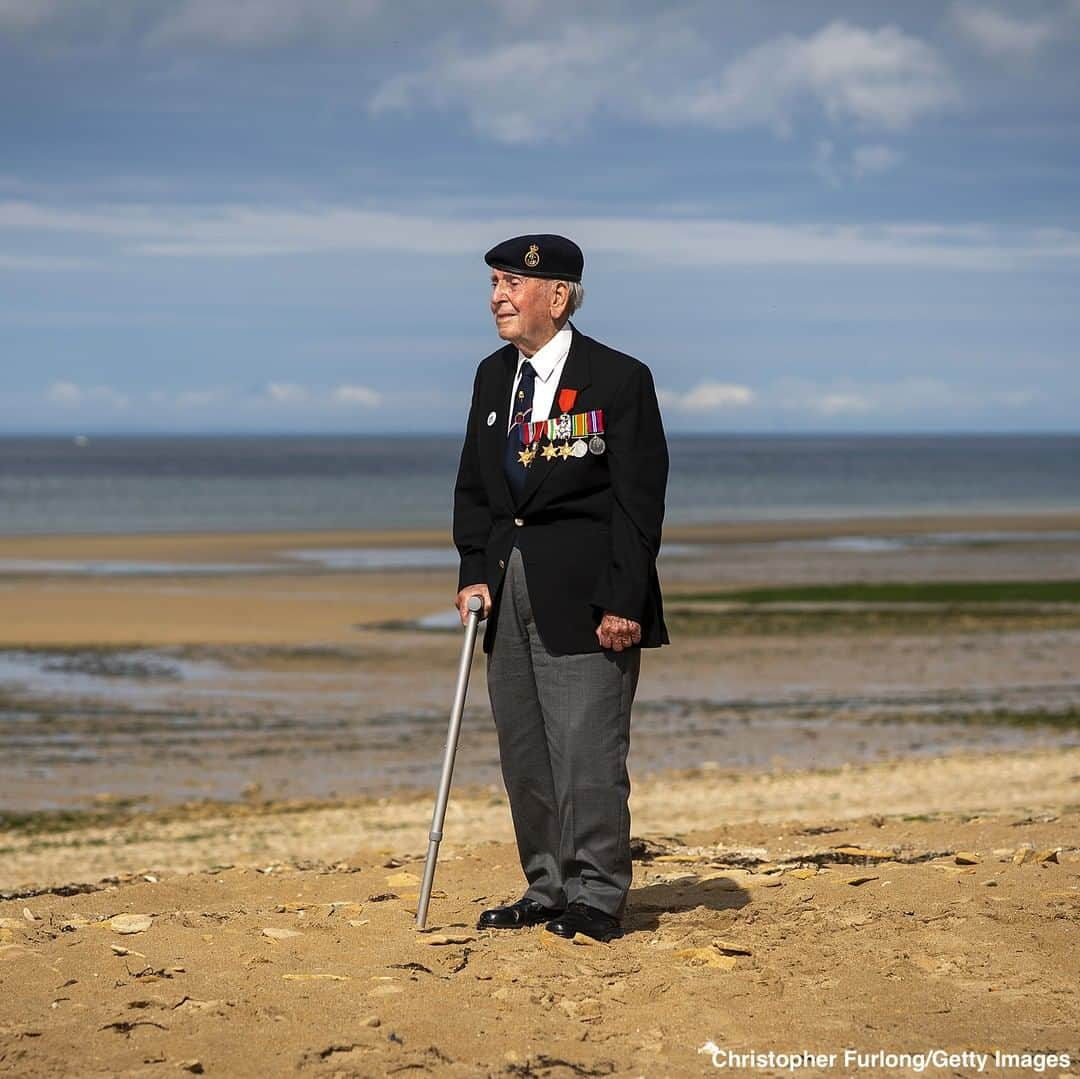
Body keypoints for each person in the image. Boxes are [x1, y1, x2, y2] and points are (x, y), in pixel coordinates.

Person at [452, 233, 669, 942]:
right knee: (526, 751)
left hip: (587, 593)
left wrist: (624, 601)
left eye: (510, 285)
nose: (497, 298)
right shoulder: (492, 377)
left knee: (586, 751)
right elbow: (476, 489)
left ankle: (599, 895)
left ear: (558, 294)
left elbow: (639, 503)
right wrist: (472, 570)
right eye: (493, 285)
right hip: (507, 589)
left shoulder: (617, 378)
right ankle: (547, 885)